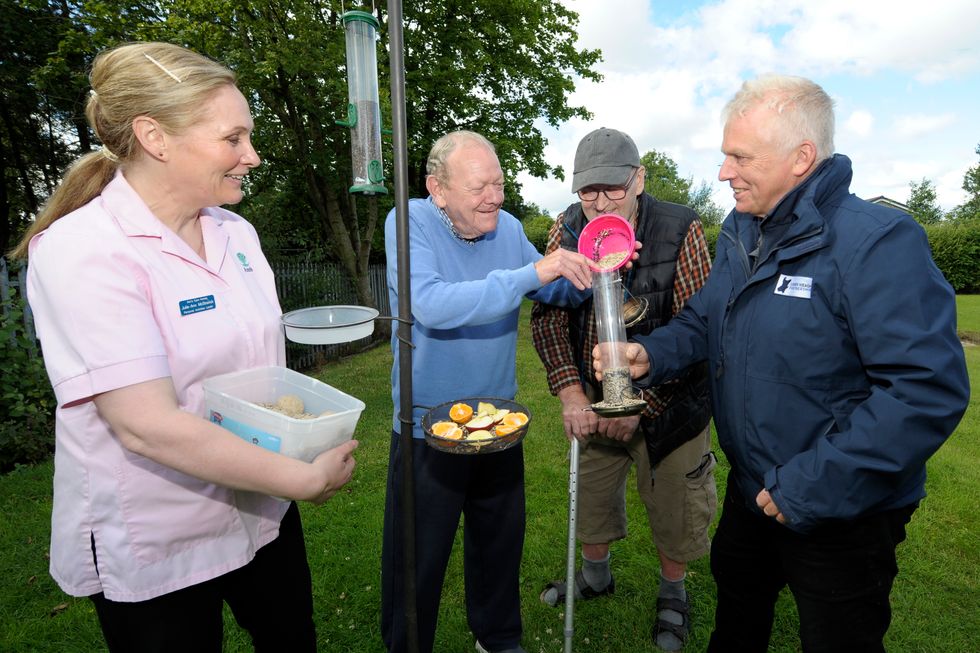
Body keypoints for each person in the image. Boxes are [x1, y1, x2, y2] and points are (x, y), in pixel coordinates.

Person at [592, 74, 970, 652]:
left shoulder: (876, 242)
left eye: (739, 157)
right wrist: (650, 354)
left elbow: (924, 391)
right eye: (724, 156)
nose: (723, 172)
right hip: (752, 492)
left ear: (801, 158)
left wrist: (809, 485)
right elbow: (704, 319)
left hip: (842, 507)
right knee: (738, 621)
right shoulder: (740, 230)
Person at [9, 42, 358, 652]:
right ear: (154, 136)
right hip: (156, 533)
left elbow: (257, 370)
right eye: (233, 139)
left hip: (258, 505)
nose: (251, 155)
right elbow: (146, 426)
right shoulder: (83, 250)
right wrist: (299, 479)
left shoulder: (237, 233)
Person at [380, 130, 598, 653]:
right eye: (480, 187)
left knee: (499, 543)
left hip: (499, 421)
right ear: (438, 189)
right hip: (428, 424)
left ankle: (498, 638)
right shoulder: (407, 223)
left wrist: (593, 268)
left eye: (499, 183)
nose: (495, 197)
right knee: (417, 559)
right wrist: (532, 270)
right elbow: (430, 304)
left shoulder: (508, 229)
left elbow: (547, 286)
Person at [531, 127, 716, 651]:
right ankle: (595, 577)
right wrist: (572, 392)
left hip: (673, 401)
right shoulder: (566, 229)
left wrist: (639, 404)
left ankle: (673, 594)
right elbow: (546, 318)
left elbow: (698, 326)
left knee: (676, 505)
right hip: (596, 398)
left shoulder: (681, 227)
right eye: (587, 190)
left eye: (611, 187)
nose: (597, 201)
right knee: (591, 495)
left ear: (638, 179)